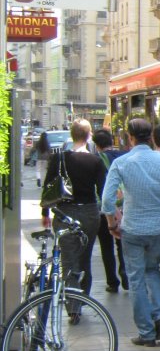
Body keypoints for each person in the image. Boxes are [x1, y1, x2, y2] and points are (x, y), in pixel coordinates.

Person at [100, 118, 160, 347]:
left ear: (130, 137)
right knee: (154, 271)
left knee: (136, 279)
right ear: (151, 137)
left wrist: (112, 224)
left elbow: (107, 200)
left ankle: (146, 332)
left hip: (132, 229)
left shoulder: (122, 163)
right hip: (158, 228)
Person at [41, 119, 106, 318]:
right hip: (89, 213)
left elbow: (48, 186)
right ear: (89, 136)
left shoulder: (59, 158)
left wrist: (45, 213)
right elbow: (102, 190)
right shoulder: (96, 161)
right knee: (85, 257)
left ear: (71, 134)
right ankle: (82, 296)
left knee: (69, 261)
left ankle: (73, 306)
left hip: (65, 213)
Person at [93, 128, 129, 292]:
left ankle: (112, 282)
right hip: (124, 206)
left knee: (106, 246)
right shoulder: (124, 156)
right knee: (122, 243)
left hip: (104, 209)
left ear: (96, 145)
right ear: (111, 141)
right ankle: (126, 274)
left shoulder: (96, 159)